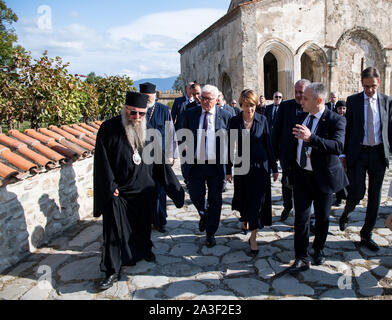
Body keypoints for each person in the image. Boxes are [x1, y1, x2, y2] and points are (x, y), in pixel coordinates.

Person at [93, 91, 184, 291]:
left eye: (141, 114)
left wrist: (175, 190)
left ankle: (143, 251)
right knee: (114, 231)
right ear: (125, 109)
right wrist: (110, 186)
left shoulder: (149, 130)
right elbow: (102, 161)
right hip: (119, 191)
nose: (137, 118)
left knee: (142, 226)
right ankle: (111, 270)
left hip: (143, 190)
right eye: (133, 113)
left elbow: (160, 164)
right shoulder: (108, 129)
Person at [287, 83, 348, 273]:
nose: (301, 100)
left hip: (323, 178)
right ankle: (301, 257)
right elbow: (292, 144)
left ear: (318, 101)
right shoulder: (300, 116)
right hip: (302, 176)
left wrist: (311, 138)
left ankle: (318, 248)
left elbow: (338, 146)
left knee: (322, 219)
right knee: (301, 218)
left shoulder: (335, 120)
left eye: (306, 98)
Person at [339, 67, 392, 252]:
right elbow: (348, 129)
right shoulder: (353, 101)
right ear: (362, 83)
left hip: (378, 154)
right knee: (357, 192)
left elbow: (389, 129)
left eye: (373, 87)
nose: (370, 90)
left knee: (375, 197)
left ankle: (366, 234)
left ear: (379, 83)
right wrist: (343, 154)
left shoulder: (387, 101)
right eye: (367, 86)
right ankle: (346, 213)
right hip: (358, 153)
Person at [226, 89, 278, 255]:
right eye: (247, 105)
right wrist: (228, 169)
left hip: (260, 167)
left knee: (258, 202)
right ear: (241, 105)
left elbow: (268, 144)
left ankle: (253, 237)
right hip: (242, 167)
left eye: (253, 105)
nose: (250, 109)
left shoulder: (262, 119)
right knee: (243, 198)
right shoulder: (234, 121)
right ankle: (245, 218)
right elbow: (228, 147)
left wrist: (274, 167)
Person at [182, 84, 232, 248]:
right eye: (202, 98)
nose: (204, 101)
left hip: (216, 166)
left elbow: (231, 144)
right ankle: (204, 214)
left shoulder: (225, 116)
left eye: (208, 98)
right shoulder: (191, 114)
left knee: (215, 200)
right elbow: (181, 135)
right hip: (196, 164)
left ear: (217, 99)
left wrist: (229, 169)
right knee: (196, 196)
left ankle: (210, 233)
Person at [139, 82, 178, 233]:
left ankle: (160, 220)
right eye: (145, 97)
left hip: (160, 156)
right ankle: (145, 220)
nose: (147, 100)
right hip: (142, 158)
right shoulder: (138, 111)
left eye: (149, 97)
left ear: (155, 96)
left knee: (160, 190)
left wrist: (171, 155)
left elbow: (170, 132)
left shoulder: (163, 110)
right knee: (144, 189)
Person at [272, 80, 310, 221]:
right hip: (287, 154)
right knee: (286, 182)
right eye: (296, 92)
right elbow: (277, 129)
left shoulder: (312, 107)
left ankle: (303, 213)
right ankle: (287, 206)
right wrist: (274, 153)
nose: (299, 95)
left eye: (302, 92)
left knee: (305, 185)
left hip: (307, 155)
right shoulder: (286, 106)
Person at [333, 100, 348, 207]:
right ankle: (339, 197)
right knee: (338, 175)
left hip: (348, 151)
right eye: (339, 108)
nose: (341, 111)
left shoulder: (349, 120)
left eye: (343, 108)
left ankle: (347, 195)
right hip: (337, 151)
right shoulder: (333, 120)